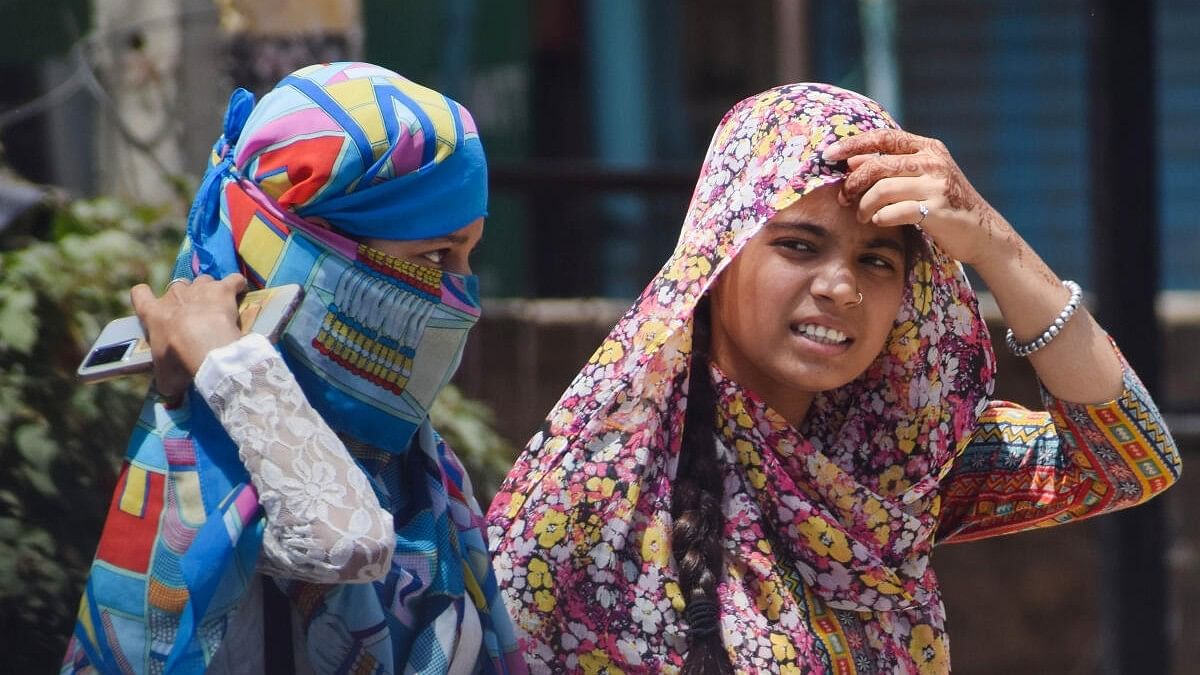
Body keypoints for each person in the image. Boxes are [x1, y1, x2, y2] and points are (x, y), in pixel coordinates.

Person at [486, 83, 1181, 673]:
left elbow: (1128, 457)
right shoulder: (590, 500)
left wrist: (992, 241)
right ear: (717, 253)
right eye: (798, 244)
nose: (842, 288)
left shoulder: (891, 464)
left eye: (878, 259)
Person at [62, 62, 523, 674]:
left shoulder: (415, 466)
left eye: (469, 254)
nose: (459, 292)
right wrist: (231, 364)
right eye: (435, 254)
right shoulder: (221, 439)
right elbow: (348, 541)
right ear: (309, 247)